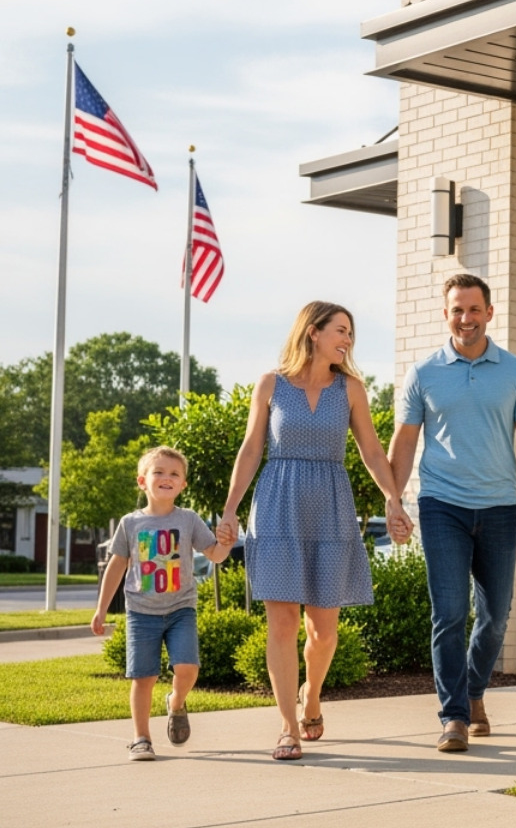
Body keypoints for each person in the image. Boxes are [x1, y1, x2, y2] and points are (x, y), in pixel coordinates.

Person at [218, 301, 411, 761]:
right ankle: (287, 727)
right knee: (281, 624)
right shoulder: (270, 384)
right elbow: (250, 451)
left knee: (323, 632)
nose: (347, 340)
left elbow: (370, 451)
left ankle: (312, 694)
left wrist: (393, 497)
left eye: (351, 334)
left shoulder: (350, 389)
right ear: (313, 332)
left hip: (330, 504)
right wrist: (229, 511)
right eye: (341, 331)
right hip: (278, 505)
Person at [388, 273, 516, 753]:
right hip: (441, 506)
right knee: (450, 613)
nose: (466, 318)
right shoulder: (424, 372)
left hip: (499, 506)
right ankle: (454, 716)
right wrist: (393, 500)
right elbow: (405, 441)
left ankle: (475, 691)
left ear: (490, 313)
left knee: (497, 617)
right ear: (445, 314)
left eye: (474, 309)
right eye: (457, 309)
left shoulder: (515, 371)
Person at [92, 446, 232, 761]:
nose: (166, 478)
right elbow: (116, 567)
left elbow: (214, 554)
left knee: (187, 668)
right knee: (143, 677)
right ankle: (141, 738)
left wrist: (225, 542)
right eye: (159, 472)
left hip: (181, 609)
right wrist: (101, 609)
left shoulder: (188, 519)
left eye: (174, 474)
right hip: (142, 613)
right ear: (143, 481)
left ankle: (176, 701)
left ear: (183, 485)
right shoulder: (130, 523)